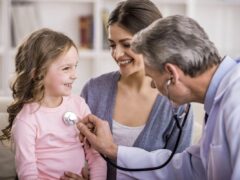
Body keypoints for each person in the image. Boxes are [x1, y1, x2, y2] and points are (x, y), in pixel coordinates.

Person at [77, 15, 240, 179]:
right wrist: (111, 149)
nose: (154, 86)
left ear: (172, 75)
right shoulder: (220, 101)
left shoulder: (235, 102)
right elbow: (190, 167)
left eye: (153, 78)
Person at [75, 0, 193, 180]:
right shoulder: (93, 90)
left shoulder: (177, 103)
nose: (116, 54)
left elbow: (180, 172)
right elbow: (74, 152)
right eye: (112, 45)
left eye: (127, 44)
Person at [0, 28, 106, 180]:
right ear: (37, 74)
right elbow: (27, 174)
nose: (74, 75)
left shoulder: (79, 105)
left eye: (75, 66)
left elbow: (96, 157)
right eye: (66, 68)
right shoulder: (27, 120)